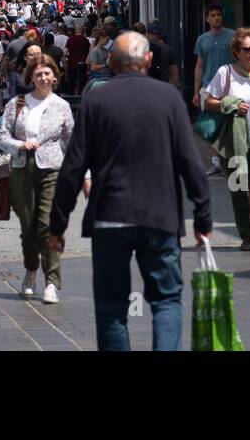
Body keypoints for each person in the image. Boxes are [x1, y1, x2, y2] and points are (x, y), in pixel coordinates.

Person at [50, 32, 211, 350]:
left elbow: (73, 167)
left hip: (110, 217)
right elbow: (190, 163)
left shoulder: (96, 99)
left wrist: (58, 223)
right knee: (166, 301)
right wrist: (203, 217)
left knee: (112, 307)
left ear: (110, 62)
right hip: (159, 216)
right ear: (148, 60)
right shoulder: (168, 98)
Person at [0, 55, 74, 304]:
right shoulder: (17, 104)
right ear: (31, 77)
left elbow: (71, 141)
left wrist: (82, 172)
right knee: (28, 227)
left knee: (47, 224)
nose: (43, 78)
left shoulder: (62, 106)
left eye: (47, 73)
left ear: (55, 76)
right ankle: (31, 269)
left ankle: (52, 281)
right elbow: (2, 137)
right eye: (38, 74)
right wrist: (20, 144)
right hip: (22, 167)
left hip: (52, 168)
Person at [202, 27, 250, 251]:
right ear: (236, 51)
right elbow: (208, 102)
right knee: (240, 189)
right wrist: (229, 103)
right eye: (246, 49)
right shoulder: (226, 73)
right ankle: (247, 235)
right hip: (234, 139)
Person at [192, 4, 235, 109]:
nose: (217, 17)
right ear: (207, 19)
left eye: (219, 15)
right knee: (208, 123)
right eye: (213, 15)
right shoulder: (201, 39)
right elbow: (199, 66)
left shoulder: (233, 35)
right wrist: (196, 92)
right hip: (208, 87)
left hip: (230, 86)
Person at [144, 21, 180, 88]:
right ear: (159, 35)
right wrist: (174, 87)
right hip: (163, 84)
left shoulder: (142, 47)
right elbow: (174, 70)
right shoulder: (167, 49)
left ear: (147, 34)